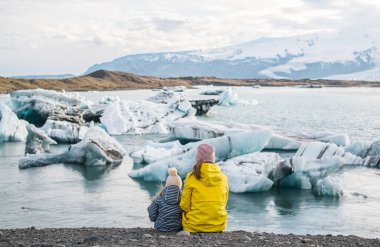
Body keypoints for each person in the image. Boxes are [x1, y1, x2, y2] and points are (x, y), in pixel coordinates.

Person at [180, 143, 229, 233]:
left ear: (198, 158)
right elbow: (224, 203)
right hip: (218, 225)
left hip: (193, 226)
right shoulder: (223, 178)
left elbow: (184, 205)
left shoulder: (191, 177)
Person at [147, 167, 183, 232]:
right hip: (177, 228)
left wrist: (155, 219)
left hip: (160, 227)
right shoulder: (182, 200)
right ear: (180, 186)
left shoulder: (159, 199)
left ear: (166, 185)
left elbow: (151, 211)